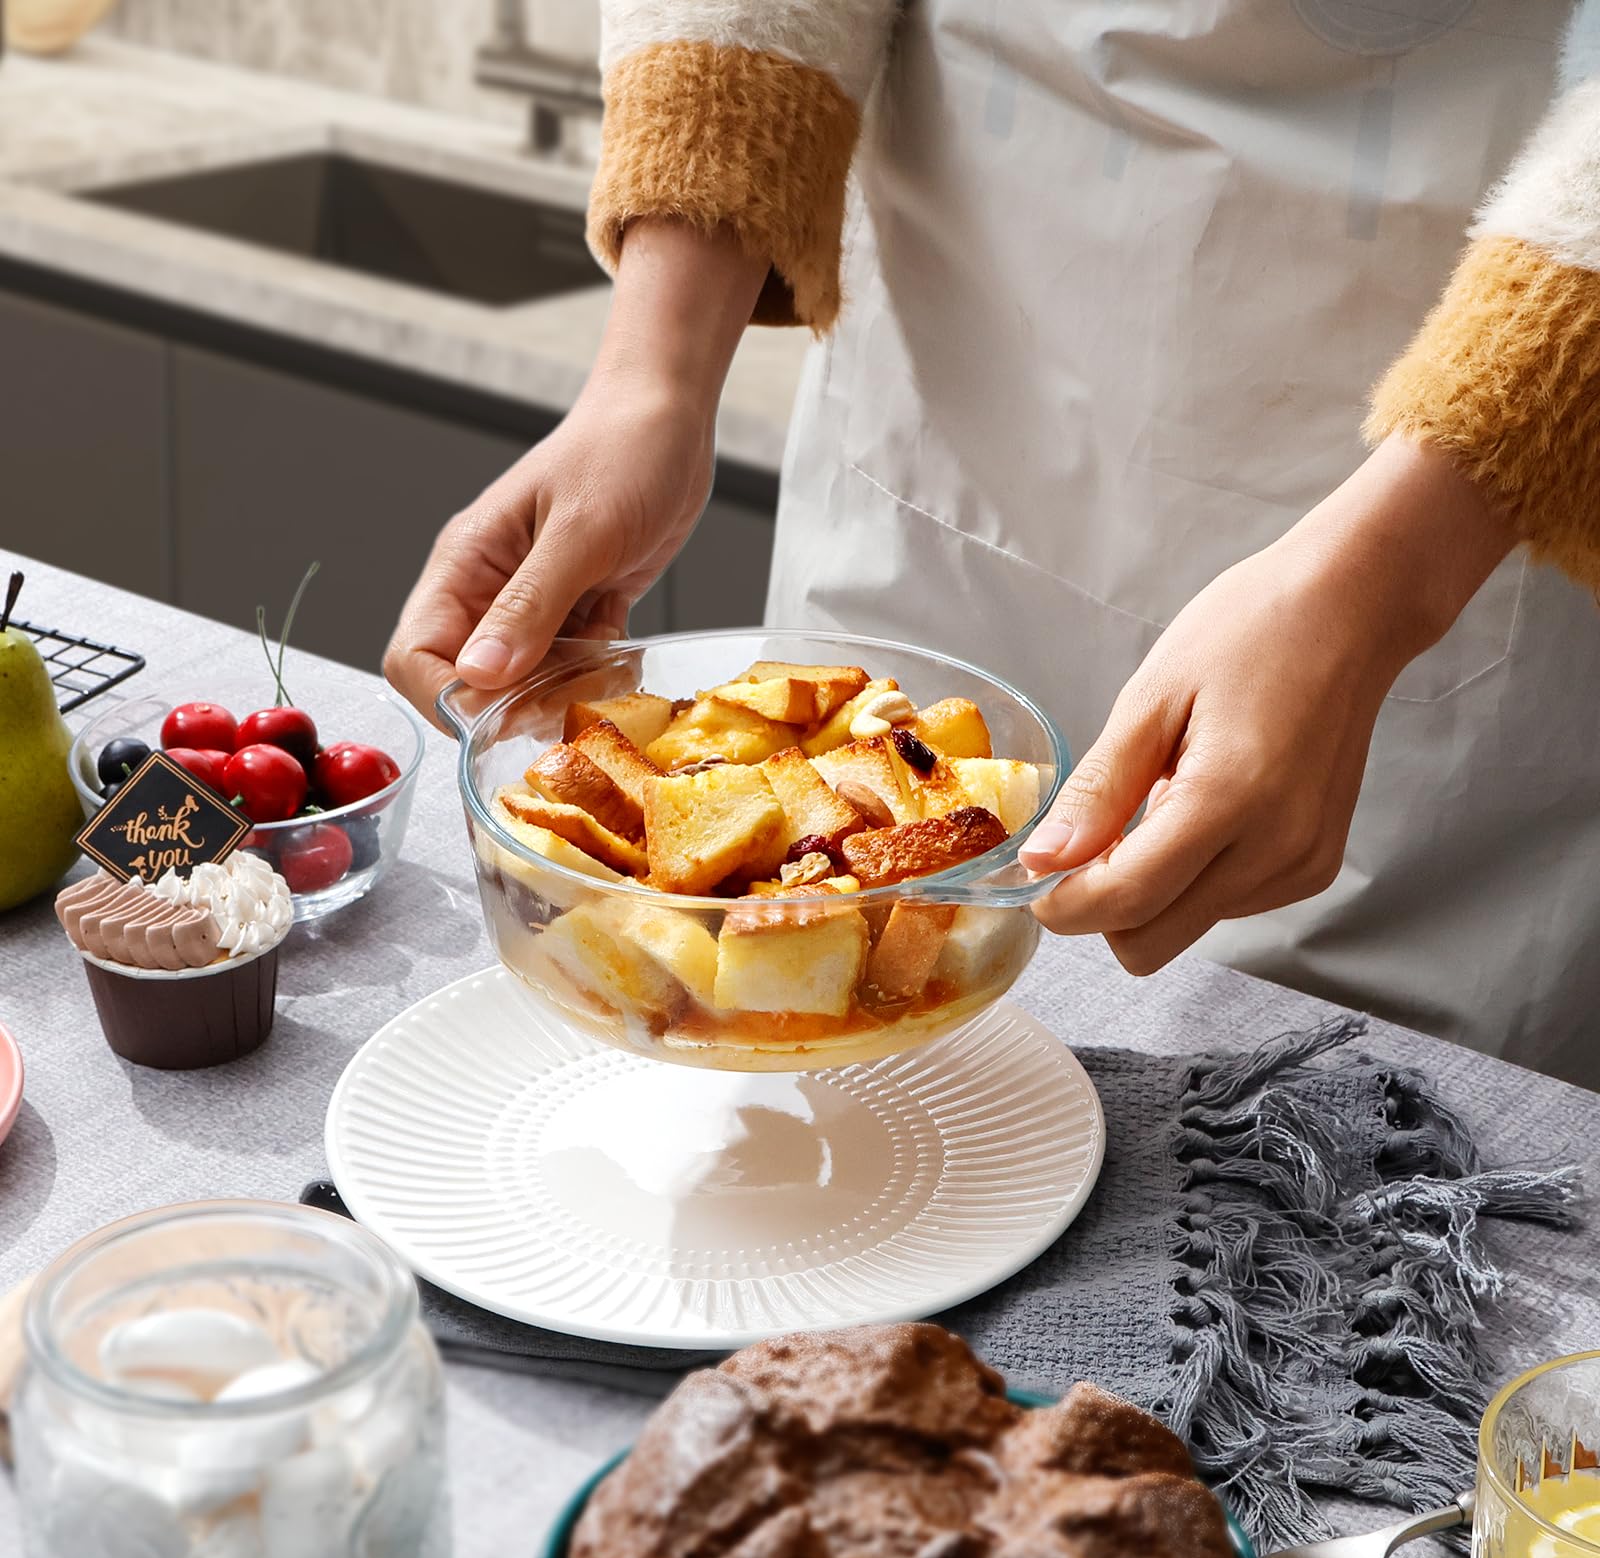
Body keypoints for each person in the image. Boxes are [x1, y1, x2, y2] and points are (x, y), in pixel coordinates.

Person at [387, 1, 1600, 1086]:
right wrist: (650, 374)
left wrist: (1386, 577)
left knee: (1312, 1155)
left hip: (1445, 466)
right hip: (952, 357)